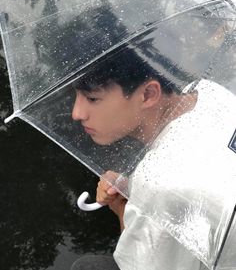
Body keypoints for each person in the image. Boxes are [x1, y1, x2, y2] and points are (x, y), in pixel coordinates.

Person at [70, 40, 236, 270]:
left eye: (92, 99)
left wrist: (123, 209)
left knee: (85, 266)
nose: (77, 113)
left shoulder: (159, 183)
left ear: (148, 94)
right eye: (76, 94)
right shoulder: (208, 92)